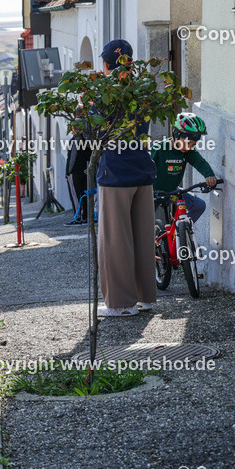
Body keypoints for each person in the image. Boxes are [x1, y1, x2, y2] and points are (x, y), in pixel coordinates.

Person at [95, 39, 157, 317]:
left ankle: (120, 304)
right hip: (143, 170)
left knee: (116, 241)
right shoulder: (143, 90)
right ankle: (146, 297)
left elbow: (93, 134)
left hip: (115, 174)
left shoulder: (101, 93)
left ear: (107, 64)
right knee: (143, 238)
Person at [151, 113, 218, 225]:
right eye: (187, 142)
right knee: (144, 223)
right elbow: (146, 167)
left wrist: (209, 175)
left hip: (173, 192)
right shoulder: (160, 148)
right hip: (153, 194)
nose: (189, 147)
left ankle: (179, 232)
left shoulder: (188, 153)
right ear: (176, 135)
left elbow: (200, 163)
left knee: (199, 206)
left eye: (193, 144)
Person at [65, 126, 92, 226]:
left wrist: (68, 171)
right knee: (86, 193)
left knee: (76, 195)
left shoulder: (74, 141)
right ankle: (85, 216)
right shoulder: (88, 141)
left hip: (75, 172)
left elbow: (71, 158)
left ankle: (77, 217)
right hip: (87, 171)